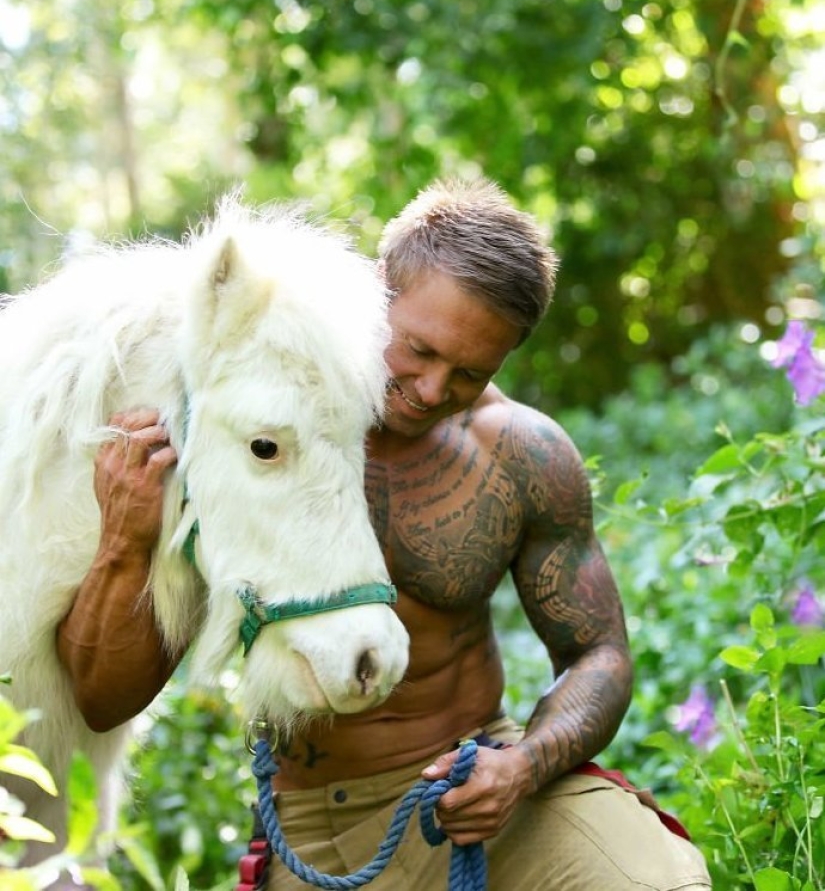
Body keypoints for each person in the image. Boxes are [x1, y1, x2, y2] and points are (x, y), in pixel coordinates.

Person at [57, 177, 712, 889]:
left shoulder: (518, 452)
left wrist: (520, 768)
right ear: (377, 292)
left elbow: (599, 655)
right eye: (420, 351)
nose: (433, 390)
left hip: (473, 793)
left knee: (655, 880)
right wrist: (124, 542)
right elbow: (104, 701)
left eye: (469, 372)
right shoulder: (255, 430)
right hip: (306, 828)